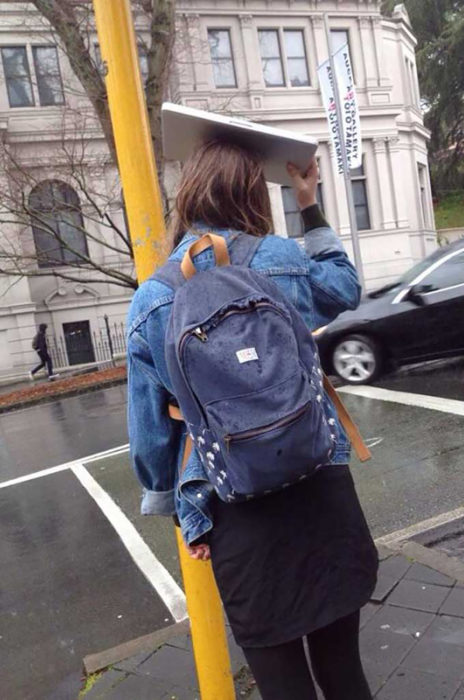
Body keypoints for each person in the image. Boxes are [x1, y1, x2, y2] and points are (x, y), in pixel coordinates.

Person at [126, 140, 378, 700]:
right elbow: (344, 285)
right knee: (344, 672)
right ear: (251, 194)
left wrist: (182, 513)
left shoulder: (151, 301)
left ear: (188, 195)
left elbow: (149, 438)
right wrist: (308, 203)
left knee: (281, 687)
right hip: (319, 487)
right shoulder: (280, 261)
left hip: (237, 511)